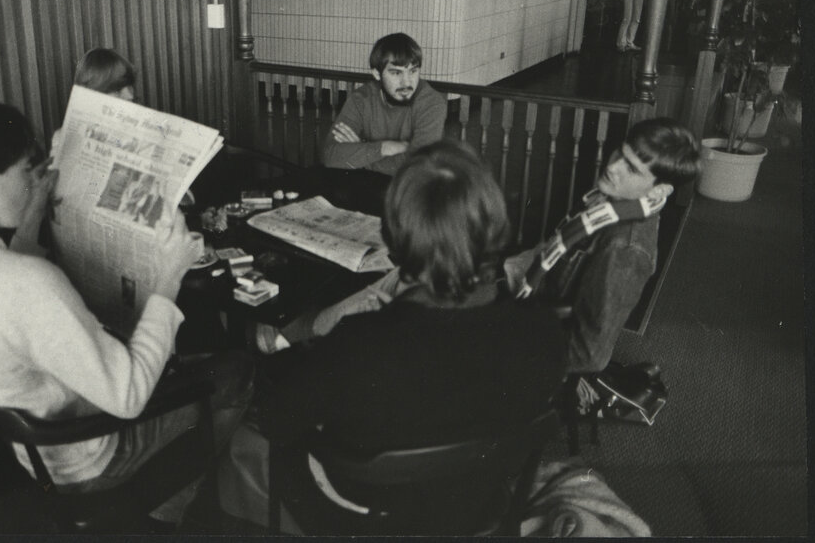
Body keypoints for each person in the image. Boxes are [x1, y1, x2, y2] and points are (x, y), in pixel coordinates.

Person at [0, 89, 253, 526]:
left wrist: (34, 206)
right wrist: (168, 277)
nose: (33, 178)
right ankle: (168, 506)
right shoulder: (29, 284)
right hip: (90, 460)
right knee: (236, 371)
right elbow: (128, 395)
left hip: (19, 448)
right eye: (25, 170)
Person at [219, 140, 568, 533]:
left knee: (244, 442)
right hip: (478, 502)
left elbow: (279, 421)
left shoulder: (358, 344)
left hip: (364, 511)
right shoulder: (544, 331)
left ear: (394, 240)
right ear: (495, 225)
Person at [505, 117, 700, 374]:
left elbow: (589, 354)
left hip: (541, 332)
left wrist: (508, 350)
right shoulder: (612, 201)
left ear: (658, 191)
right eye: (620, 152)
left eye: (631, 168)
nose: (613, 166)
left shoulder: (626, 251)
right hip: (533, 291)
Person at [321, 33, 447, 176]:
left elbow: (419, 167)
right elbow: (330, 156)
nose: (406, 82)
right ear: (377, 74)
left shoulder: (432, 103)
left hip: (412, 191)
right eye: (396, 73)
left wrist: (361, 152)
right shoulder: (361, 99)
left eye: (413, 71)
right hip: (370, 186)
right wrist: (385, 148)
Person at [51, 47, 137, 158]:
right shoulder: (63, 138)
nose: (130, 96)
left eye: (130, 86)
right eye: (117, 90)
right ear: (92, 96)